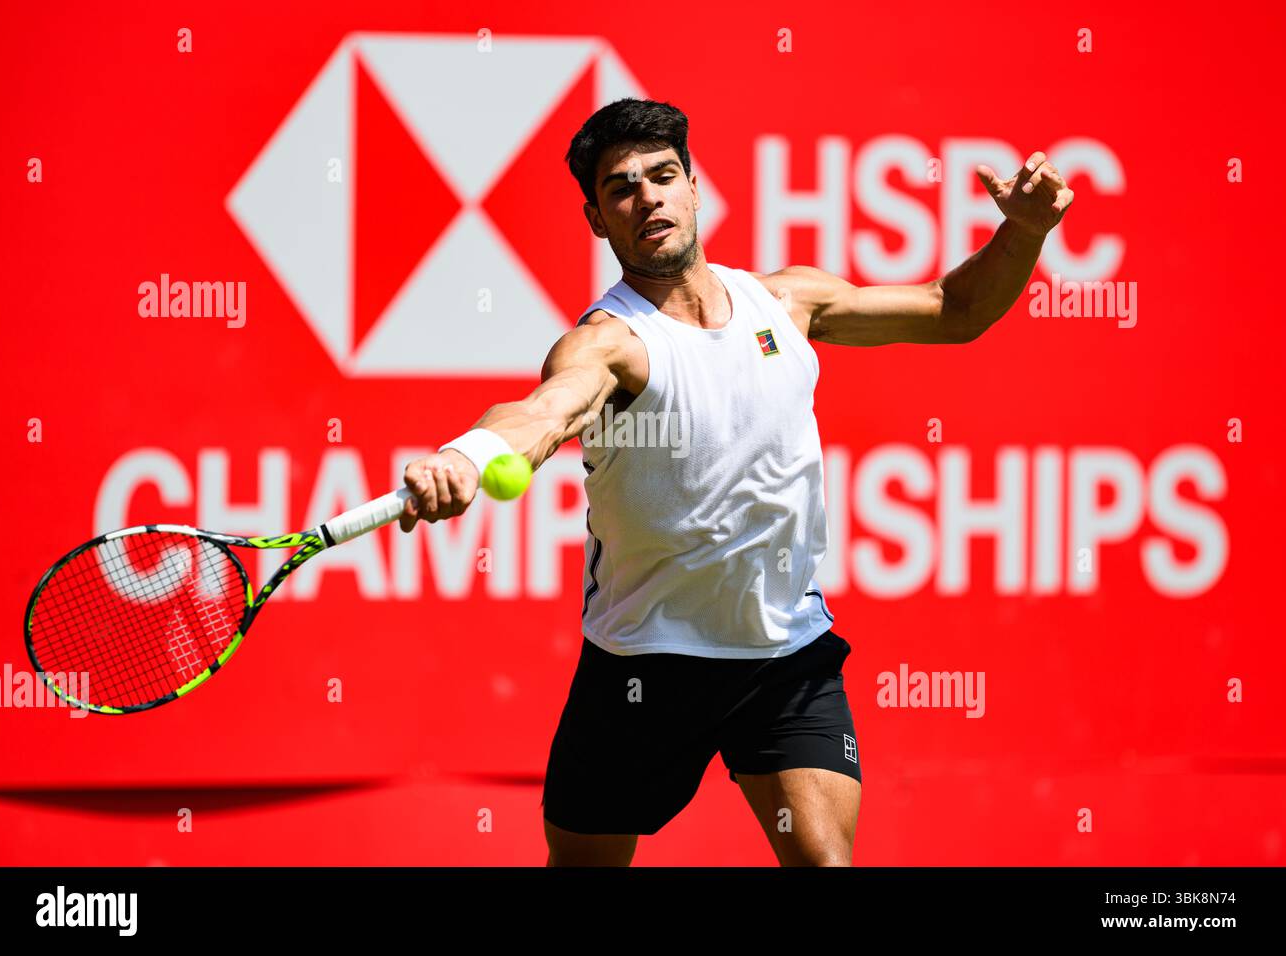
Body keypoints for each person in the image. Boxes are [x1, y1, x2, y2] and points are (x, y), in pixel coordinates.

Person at [397, 98, 1073, 866]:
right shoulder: (609, 344)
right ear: (597, 219)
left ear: (694, 186)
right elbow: (542, 414)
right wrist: (466, 454)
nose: (647, 196)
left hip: (784, 651)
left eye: (661, 176)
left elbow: (954, 310)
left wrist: (1023, 233)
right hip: (643, 667)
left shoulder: (788, 302)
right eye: (621, 188)